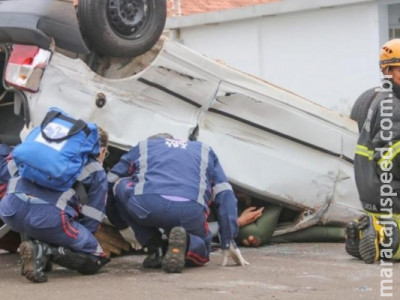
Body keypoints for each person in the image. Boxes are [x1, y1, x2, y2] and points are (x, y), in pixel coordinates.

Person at [106, 133, 248, 273]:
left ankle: (156, 248)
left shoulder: (144, 146)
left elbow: (110, 180)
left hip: (148, 205)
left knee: (120, 184)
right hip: (190, 210)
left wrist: (121, 224)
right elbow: (225, 193)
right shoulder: (204, 150)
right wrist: (227, 239)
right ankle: (187, 244)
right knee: (203, 248)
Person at [0, 127, 110, 283]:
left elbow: (5, 173)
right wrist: (76, 244)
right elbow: (93, 218)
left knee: (32, 210)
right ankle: (44, 252)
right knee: (95, 257)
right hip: (48, 218)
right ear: (102, 150)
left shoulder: (42, 151)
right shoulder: (95, 169)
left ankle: (37, 252)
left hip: (9, 210)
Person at [347, 39, 400, 263]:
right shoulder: (394, 106)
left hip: (371, 188)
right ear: (387, 70)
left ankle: (366, 232)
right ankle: (382, 236)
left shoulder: (376, 96)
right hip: (388, 189)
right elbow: (390, 156)